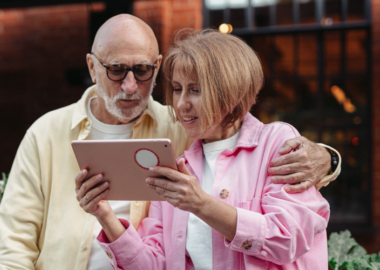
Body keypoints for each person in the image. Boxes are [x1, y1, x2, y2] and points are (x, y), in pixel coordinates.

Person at [0, 15, 340, 270]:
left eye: (142, 70)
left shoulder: (177, 136)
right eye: (116, 70)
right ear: (92, 66)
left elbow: (290, 230)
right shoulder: (47, 132)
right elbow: (15, 242)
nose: (130, 85)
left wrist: (328, 157)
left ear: (156, 67)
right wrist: (103, 215)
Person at [76, 29, 330, 269]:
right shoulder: (177, 167)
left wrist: (201, 204)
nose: (182, 103)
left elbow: (289, 238)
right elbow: (156, 264)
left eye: (195, 90)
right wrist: (105, 215)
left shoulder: (277, 143)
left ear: (232, 93)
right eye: (177, 89)